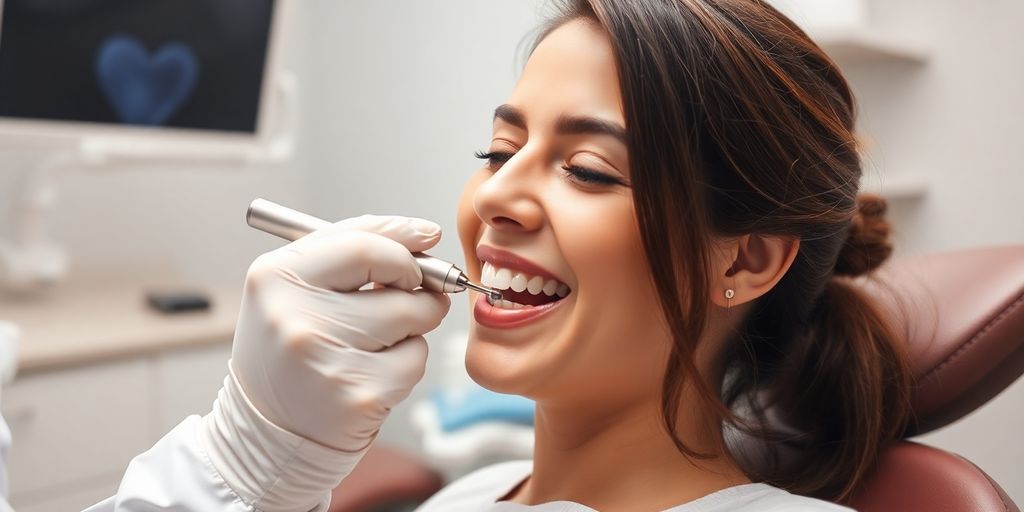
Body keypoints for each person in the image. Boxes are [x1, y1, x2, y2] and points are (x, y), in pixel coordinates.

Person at [75, 0, 910, 510]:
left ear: (744, 262)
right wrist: (256, 460)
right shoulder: (466, 497)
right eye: (498, 152)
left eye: (589, 169)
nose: (496, 196)